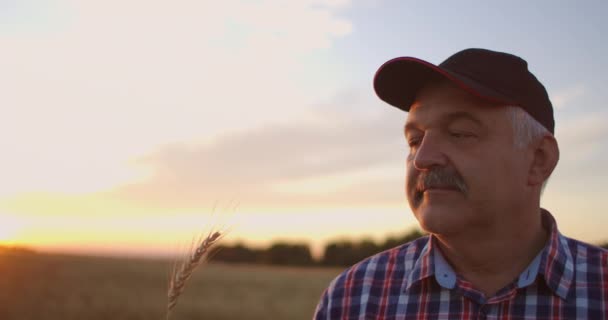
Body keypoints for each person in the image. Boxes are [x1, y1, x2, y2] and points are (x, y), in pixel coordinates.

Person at [313, 48, 608, 319]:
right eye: (415, 140)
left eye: (460, 134)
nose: (423, 159)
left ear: (539, 160)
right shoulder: (353, 298)